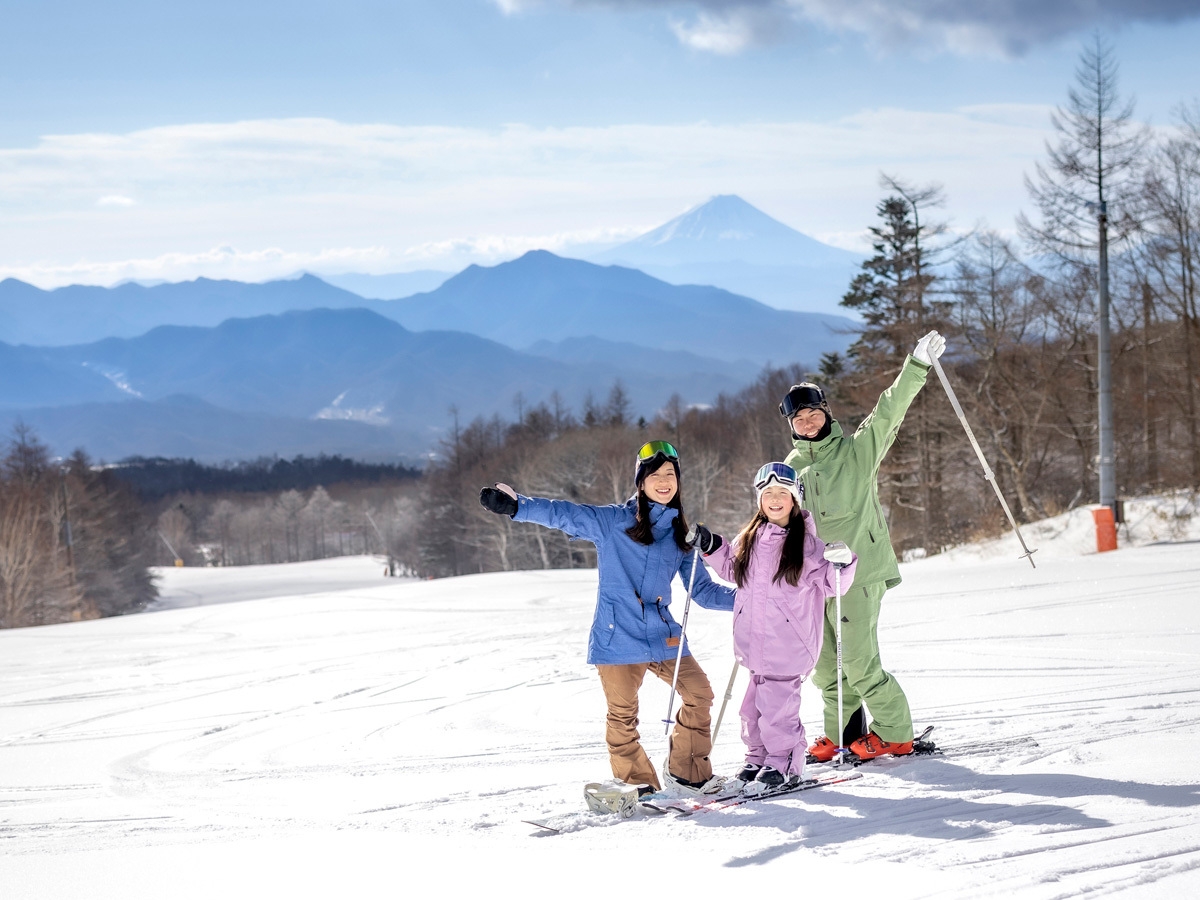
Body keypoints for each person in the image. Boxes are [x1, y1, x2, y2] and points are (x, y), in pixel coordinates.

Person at [478, 440, 734, 795]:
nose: (664, 481)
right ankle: (638, 786)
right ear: (640, 482)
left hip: (664, 637)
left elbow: (704, 592)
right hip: (618, 638)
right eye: (655, 474)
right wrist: (518, 506)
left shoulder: (681, 536)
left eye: (671, 474)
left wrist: (757, 599)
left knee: (700, 695)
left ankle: (687, 772)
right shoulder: (613, 522)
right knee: (623, 718)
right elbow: (564, 513)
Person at [781, 330, 945, 761]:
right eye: (799, 419)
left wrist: (917, 364)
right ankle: (840, 734)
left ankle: (894, 732)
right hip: (817, 582)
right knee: (825, 666)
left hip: (859, 573)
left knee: (857, 661)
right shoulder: (791, 469)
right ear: (792, 426)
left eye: (813, 413)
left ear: (825, 413)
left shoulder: (856, 452)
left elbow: (889, 412)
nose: (807, 423)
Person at [689, 462, 856, 792]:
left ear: (795, 500)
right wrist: (711, 545)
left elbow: (834, 583)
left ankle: (785, 763)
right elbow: (732, 569)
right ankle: (758, 757)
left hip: (788, 646)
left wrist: (844, 562)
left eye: (783, 493)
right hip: (755, 646)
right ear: (759, 500)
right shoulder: (750, 538)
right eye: (768, 494)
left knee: (778, 713)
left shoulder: (807, 547)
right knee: (752, 710)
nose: (775, 499)